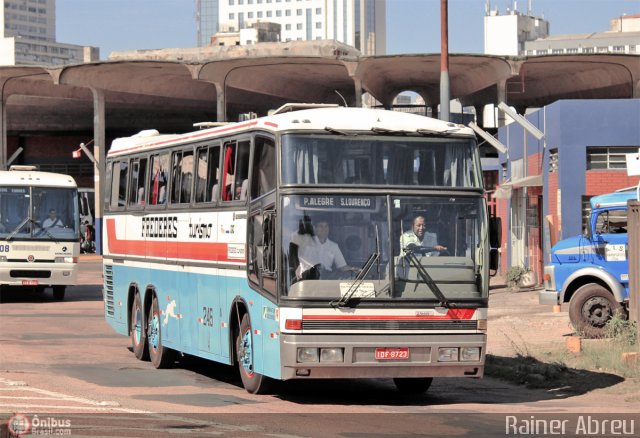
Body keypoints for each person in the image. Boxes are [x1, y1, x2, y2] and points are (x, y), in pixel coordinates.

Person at [290, 216, 357, 280]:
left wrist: (354, 269)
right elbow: (292, 238)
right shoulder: (306, 242)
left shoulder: (333, 246)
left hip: (326, 280)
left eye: (326, 226)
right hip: (308, 278)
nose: (324, 229)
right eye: (321, 226)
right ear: (315, 228)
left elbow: (342, 267)